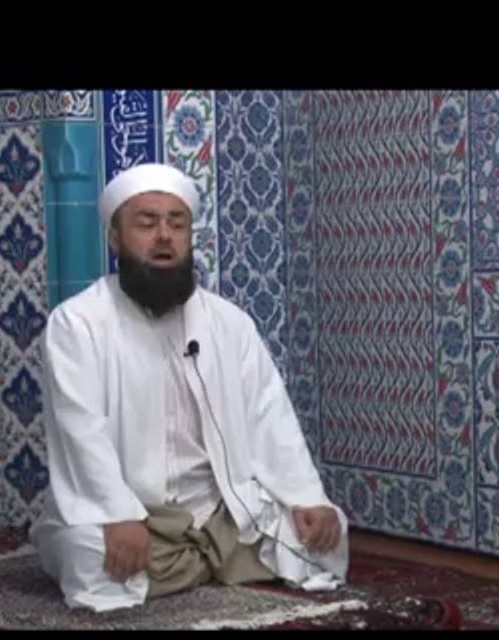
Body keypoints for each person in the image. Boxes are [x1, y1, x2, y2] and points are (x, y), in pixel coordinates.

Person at [30, 162, 348, 612]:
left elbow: (269, 415)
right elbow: (80, 431)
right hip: (137, 514)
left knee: (325, 535)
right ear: (115, 238)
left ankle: (191, 563)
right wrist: (117, 513)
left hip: (221, 510)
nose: (164, 236)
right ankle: (211, 563)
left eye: (177, 224)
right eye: (147, 223)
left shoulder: (230, 323)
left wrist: (305, 498)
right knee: (90, 553)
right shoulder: (78, 323)